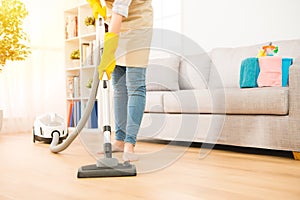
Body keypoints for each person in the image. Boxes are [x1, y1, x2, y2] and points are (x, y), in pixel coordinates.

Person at [87, 0, 153, 161]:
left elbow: (119, 10)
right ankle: (119, 140)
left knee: (135, 85)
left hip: (138, 25)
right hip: (114, 24)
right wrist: (95, 5)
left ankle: (130, 144)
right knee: (118, 86)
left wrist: (109, 52)